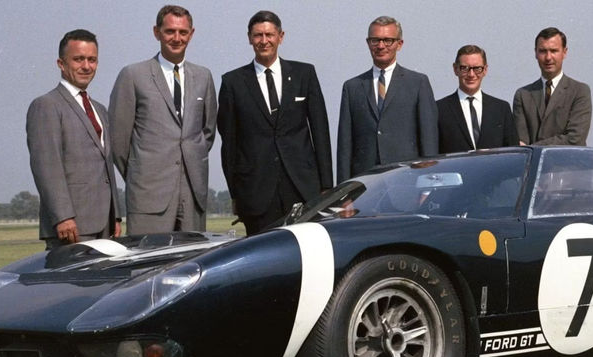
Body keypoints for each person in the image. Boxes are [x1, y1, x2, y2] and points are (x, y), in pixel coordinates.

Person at [217, 10, 333, 235]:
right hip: (257, 193)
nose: (264, 41)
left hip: (302, 188)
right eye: (258, 35)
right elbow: (229, 144)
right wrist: (236, 193)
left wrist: (326, 185)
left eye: (269, 34)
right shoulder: (232, 82)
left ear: (281, 36)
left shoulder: (304, 74)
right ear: (250, 38)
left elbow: (321, 132)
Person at [110, 5, 217, 235]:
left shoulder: (204, 76)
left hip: (192, 196)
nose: (176, 38)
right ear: (156, 32)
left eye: (183, 32)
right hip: (148, 196)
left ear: (191, 33)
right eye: (169, 31)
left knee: (192, 264)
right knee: (149, 266)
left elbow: (206, 134)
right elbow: (118, 142)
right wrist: (142, 175)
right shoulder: (133, 75)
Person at [26, 29, 121, 250]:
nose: (86, 66)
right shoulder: (47, 105)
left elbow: (106, 165)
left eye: (92, 60)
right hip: (72, 227)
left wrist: (115, 215)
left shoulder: (100, 110)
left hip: (104, 226)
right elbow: (46, 166)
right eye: (78, 59)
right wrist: (62, 217)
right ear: (61, 63)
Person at [337, 16, 438, 183]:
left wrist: (429, 183)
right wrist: (344, 192)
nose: (381, 46)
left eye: (387, 40)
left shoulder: (418, 83)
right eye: (375, 40)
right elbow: (345, 145)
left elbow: (428, 140)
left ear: (399, 44)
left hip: (407, 183)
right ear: (368, 43)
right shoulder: (352, 87)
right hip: (365, 186)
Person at [513, 27, 592, 145]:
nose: (548, 57)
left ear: (564, 52)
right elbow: (520, 142)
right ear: (535, 53)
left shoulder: (579, 91)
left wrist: (533, 148)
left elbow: (575, 139)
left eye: (554, 51)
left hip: (567, 162)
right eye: (543, 51)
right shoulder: (523, 95)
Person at [437, 45, 518, 153]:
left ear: (485, 70)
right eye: (464, 68)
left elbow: (514, 153)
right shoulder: (439, 109)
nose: (471, 74)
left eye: (477, 69)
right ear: (455, 69)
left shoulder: (501, 109)